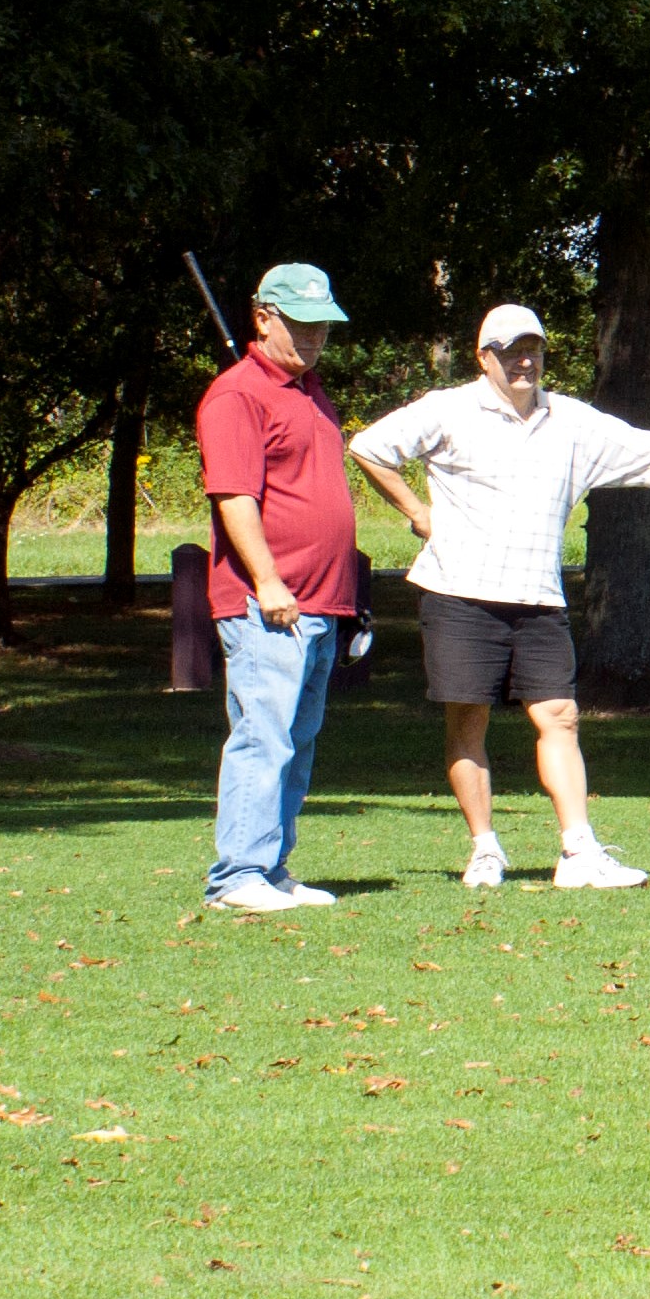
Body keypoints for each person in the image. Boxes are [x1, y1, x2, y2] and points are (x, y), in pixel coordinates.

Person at [346, 303, 650, 889]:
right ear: (484, 357)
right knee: (468, 721)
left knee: (560, 717)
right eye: (510, 350)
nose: (524, 361)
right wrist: (418, 511)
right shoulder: (447, 410)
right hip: (457, 592)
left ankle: (578, 852)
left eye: (534, 350)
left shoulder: (570, 420)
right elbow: (369, 447)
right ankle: (484, 850)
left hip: (539, 597)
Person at [197, 263, 379, 915]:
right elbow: (234, 496)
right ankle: (236, 874)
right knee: (263, 736)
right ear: (263, 316)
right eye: (300, 324)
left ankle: (270, 867)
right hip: (268, 602)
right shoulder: (236, 395)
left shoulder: (308, 392)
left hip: (320, 601)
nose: (312, 336)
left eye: (321, 325)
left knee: (296, 742)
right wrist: (269, 580)